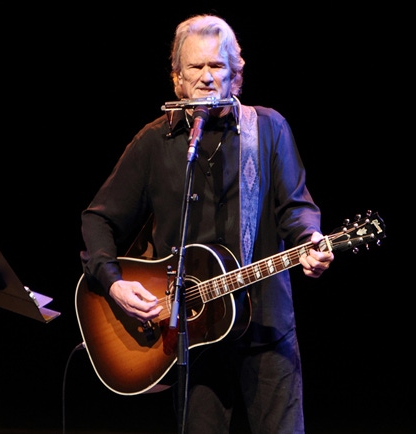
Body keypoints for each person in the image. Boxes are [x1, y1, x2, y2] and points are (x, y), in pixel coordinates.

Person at [80, 14, 334, 434]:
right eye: (194, 68)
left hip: (266, 326)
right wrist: (113, 282)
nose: (205, 78)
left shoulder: (267, 128)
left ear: (235, 75)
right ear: (176, 79)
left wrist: (311, 238)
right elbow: (99, 219)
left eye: (216, 66)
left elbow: (295, 206)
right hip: (190, 337)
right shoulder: (153, 141)